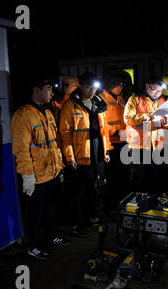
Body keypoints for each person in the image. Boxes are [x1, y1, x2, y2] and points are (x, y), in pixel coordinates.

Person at [11, 74, 70, 260]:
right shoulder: (23, 115)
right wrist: (27, 175)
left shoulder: (47, 112)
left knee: (49, 208)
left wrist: (59, 165)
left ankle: (51, 236)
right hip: (35, 175)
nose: (52, 93)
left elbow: (54, 143)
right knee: (34, 213)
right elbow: (21, 149)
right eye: (49, 89)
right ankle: (33, 245)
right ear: (36, 90)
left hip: (50, 171)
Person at [59, 72, 112, 238]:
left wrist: (106, 150)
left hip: (97, 155)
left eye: (94, 87)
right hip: (80, 157)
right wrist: (70, 157)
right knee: (77, 192)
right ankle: (76, 224)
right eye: (88, 86)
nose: (91, 90)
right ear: (80, 86)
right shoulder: (70, 106)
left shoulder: (99, 104)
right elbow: (65, 133)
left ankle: (92, 217)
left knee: (93, 190)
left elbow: (104, 131)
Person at [124, 75, 168, 193]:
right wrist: (148, 116)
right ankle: (134, 204)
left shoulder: (161, 101)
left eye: (160, 91)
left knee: (152, 176)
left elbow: (166, 123)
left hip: (154, 145)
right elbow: (128, 118)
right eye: (154, 90)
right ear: (146, 86)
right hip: (137, 146)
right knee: (137, 177)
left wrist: (166, 122)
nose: (157, 93)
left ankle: (149, 203)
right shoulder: (134, 99)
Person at [99, 72, 128, 212]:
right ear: (112, 84)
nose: (121, 88)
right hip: (111, 144)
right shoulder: (101, 99)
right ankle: (111, 208)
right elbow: (101, 122)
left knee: (123, 177)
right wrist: (116, 131)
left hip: (124, 143)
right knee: (113, 179)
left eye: (122, 85)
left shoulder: (121, 99)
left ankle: (122, 205)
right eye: (119, 85)